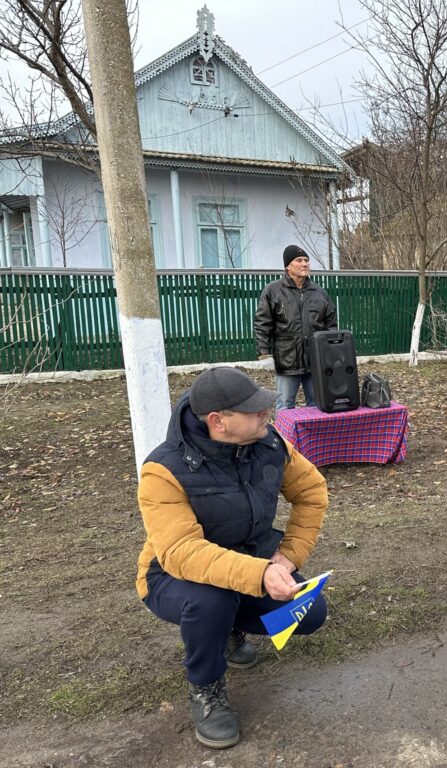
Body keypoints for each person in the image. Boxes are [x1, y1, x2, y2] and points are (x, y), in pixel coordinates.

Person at [136, 366, 329, 749]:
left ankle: (227, 632)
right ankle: (206, 688)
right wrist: (260, 574)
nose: (266, 414)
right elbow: (181, 553)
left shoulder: (270, 444)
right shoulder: (163, 470)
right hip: (171, 577)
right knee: (213, 599)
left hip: (252, 565)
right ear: (218, 421)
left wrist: (288, 559)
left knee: (311, 612)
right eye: (254, 410)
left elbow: (312, 491)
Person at [254, 244, 338, 411]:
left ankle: (313, 437)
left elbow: (331, 325)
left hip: (315, 360)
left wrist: (328, 352)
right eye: (299, 260)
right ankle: (284, 438)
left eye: (306, 260)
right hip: (287, 360)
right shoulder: (273, 291)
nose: (304, 264)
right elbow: (262, 324)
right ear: (287, 266)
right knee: (284, 406)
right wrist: (264, 354)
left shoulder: (319, 292)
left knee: (317, 406)